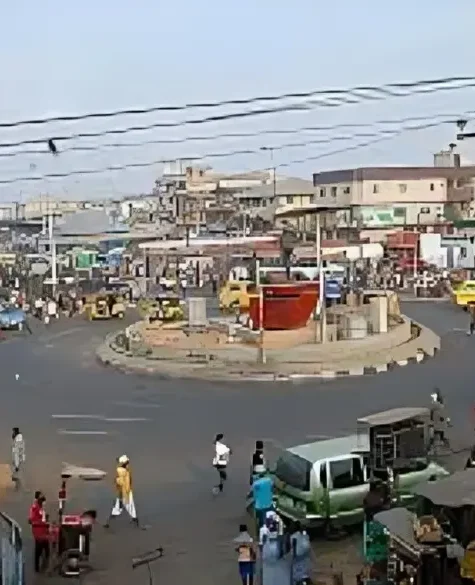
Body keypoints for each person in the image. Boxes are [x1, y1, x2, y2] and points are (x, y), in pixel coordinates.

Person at [105, 455, 139, 527]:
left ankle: (109, 522)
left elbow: (121, 481)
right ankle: (135, 522)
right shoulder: (123, 470)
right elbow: (123, 482)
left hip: (123, 491)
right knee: (130, 507)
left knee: (118, 506)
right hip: (126, 491)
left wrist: (117, 481)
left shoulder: (123, 470)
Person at [29, 492, 50, 573]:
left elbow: (42, 517)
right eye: (42, 500)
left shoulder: (41, 507)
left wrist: (45, 518)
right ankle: (37, 568)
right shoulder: (34, 508)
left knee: (47, 549)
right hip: (39, 533)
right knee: (38, 550)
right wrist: (43, 523)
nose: (43, 502)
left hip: (44, 532)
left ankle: (44, 565)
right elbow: (31, 521)